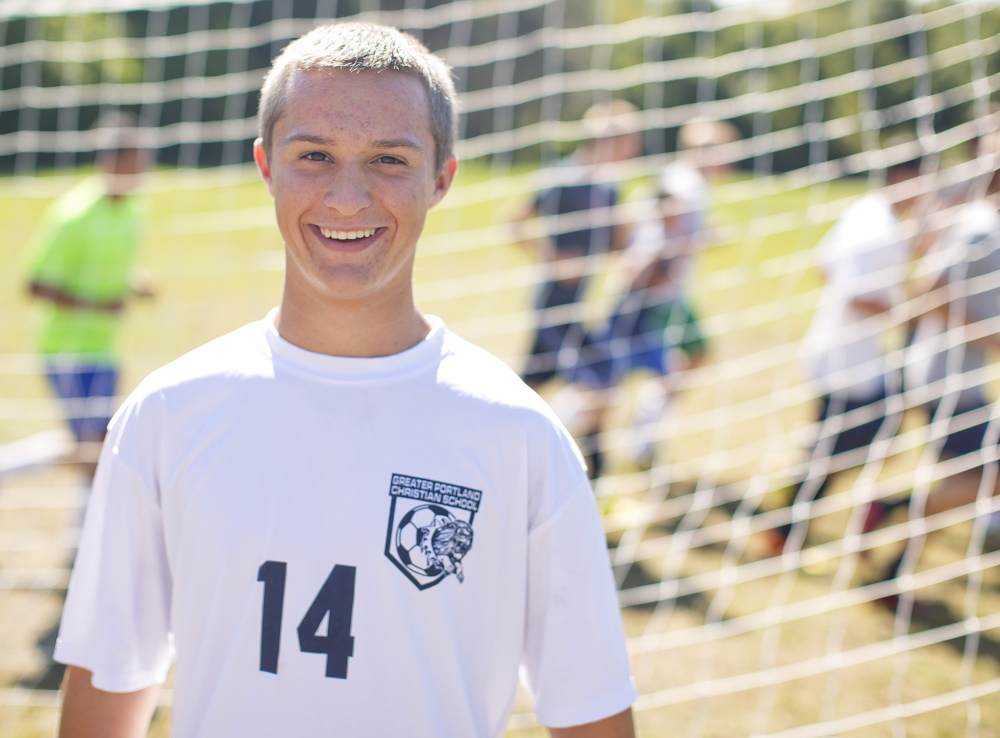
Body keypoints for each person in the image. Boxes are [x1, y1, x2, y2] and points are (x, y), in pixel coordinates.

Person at [54, 22, 636, 738]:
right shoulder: (168, 414)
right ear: (267, 166)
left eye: (389, 159)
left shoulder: (518, 435)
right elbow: (107, 687)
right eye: (315, 156)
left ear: (442, 178)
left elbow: (591, 715)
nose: (348, 197)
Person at [764, 139, 924, 556]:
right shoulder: (881, 229)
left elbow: (824, 264)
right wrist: (906, 310)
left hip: (840, 353)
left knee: (847, 445)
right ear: (905, 178)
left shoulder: (865, 210)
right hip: (849, 363)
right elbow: (856, 293)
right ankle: (784, 528)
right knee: (838, 450)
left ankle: (791, 521)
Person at [862, 133, 1000, 600]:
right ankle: (892, 507)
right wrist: (989, 337)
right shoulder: (981, 227)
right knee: (985, 480)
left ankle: (891, 575)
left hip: (957, 377)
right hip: (946, 379)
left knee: (959, 486)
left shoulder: (983, 222)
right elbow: (928, 289)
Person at [22, 112, 153, 483]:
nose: (142, 172)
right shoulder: (73, 215)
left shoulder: (133, 210)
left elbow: (105, 268)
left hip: (105, 347)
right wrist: (99, 306)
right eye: (135, 164)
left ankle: (86, 530)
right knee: (89, 445)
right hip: (66, 349)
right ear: (112, 163)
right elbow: (34, 284)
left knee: (99, 442)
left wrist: (133, 283)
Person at [512, 99, 642, 391]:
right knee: (597, 376)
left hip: (580, 302)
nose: (635, 149)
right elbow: (514, 223)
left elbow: (612, 246)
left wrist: (630, 226)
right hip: (552, 303)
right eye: (631, 141)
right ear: (609, 141)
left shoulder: (611, 186)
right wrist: (555, 259)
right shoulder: (563, 179)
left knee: (533, 381)